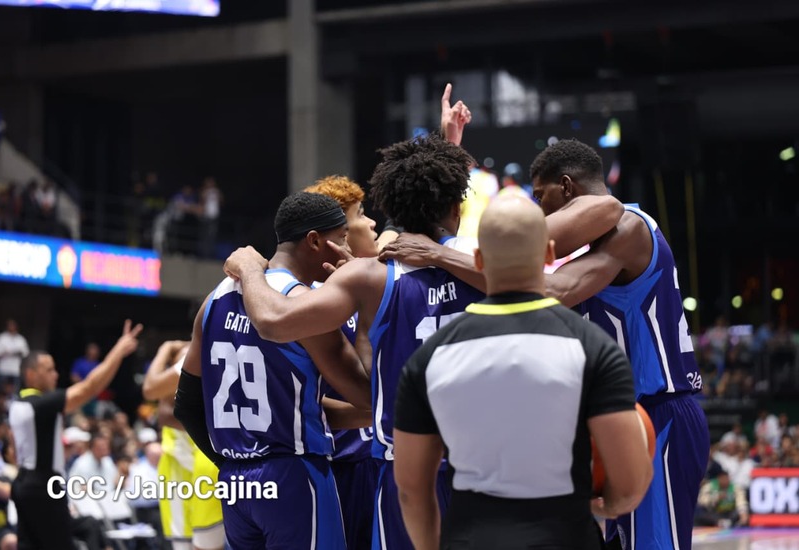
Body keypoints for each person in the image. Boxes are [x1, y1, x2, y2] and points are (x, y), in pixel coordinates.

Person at [223, 134, 487, 550]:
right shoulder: (486, 264)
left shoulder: (370, 277)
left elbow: (273, 322)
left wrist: (250, 268)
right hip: (484, 466)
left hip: (405, 468)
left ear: (391, 206)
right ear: (457, 207)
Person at [392, 195, 653, 550]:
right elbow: (630, 481)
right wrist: (608, 506)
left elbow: (411, 490)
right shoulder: (594, 349)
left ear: (479, 259)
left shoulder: (429, 358)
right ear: (548, 254)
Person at [530, 139, 711, 550]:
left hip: (660, 415)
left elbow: (553, 291)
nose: (539, 208)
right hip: (624, 420)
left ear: (567, 187)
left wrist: (449, 257)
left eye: (541, 196)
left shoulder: (629, 228)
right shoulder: (596, 249)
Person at [174, 192, 371, 550]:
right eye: (342, 238)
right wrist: (364, 301)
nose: (347, 251)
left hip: (236, 485)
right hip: (293, 475)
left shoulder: (214, 300)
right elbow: (368, 395)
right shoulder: (303, 307)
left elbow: (186, 405)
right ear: (315, 241)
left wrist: (234, 464)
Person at [7, 319, 142, 550]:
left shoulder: (18, 403)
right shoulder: (40, 405)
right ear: (30, 374)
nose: (55, 375)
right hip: (44, 485)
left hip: (23, 483)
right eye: (49, 370)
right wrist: (119, 351)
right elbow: (90, 387)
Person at [304, 175, 380, 549]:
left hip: (375, 456)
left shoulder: (370, 284)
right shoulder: (314, 300)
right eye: (360, 215)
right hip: (342, 463)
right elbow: (303, 403)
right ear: (338, 236)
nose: (371, 222)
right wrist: (378, 413)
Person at [142, 340, 225, 550]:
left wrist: (163, 349)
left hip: (204, 460)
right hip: (184, 463)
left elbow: (151, 390)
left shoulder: (194, 353)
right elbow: (164, 413)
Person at [0, 319, 29, 393]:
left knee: (15, 392)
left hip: (15, 370)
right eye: (10, 326)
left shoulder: (20, 339)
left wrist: (18, 352)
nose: (11, 327)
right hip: (3, 369)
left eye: (13, 326)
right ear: (7, 327)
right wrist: (5, 352)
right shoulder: (1, 338)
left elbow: (26, 352)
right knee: (1, 391)